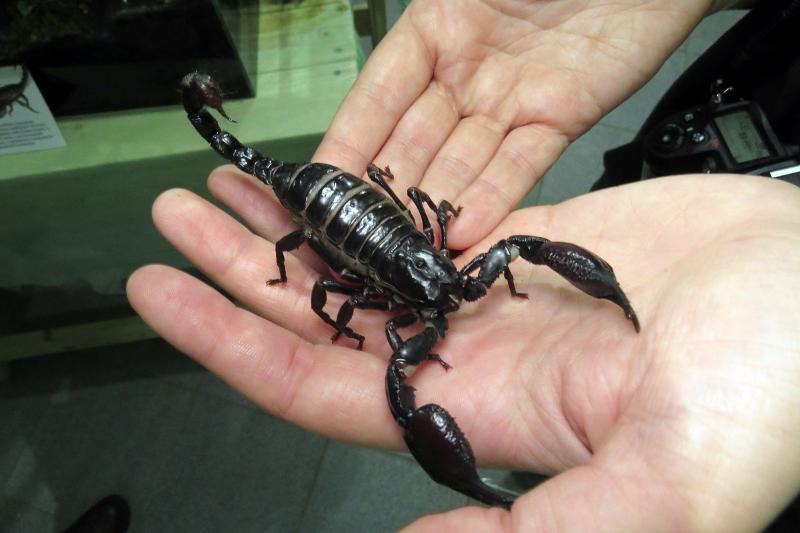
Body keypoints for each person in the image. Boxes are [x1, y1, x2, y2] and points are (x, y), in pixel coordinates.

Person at [127, 0, 800, 530]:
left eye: (452, 288)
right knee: (342, 288)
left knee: (511, 247)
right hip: (329, 205)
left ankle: (607, 299)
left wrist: (491, 275)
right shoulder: (404, 303)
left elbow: (510, 244)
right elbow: (359, 308)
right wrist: (327, 308)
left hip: (363, 204)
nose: (448, 303)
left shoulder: (437, 276)